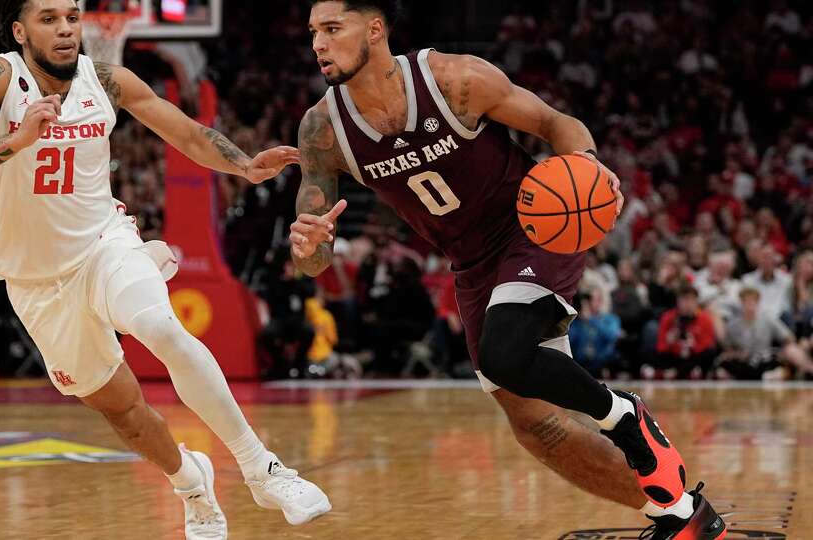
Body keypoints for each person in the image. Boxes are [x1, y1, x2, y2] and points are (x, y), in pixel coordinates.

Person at [289, 1, 725, 536]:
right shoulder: (321, 131)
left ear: (374, 30)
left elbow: (555, 123)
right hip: (471, 265)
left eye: (333, 29)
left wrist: (585, 164)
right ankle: (680, 514)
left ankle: (625, 417)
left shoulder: (455, 80)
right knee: (538, 428)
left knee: (503, 354)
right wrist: (309, 245)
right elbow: (313, 260)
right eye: (313, 32)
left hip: (536, 226)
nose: (319, 44)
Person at [0, 2, 329, 537]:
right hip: (36, 280)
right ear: (21, 31)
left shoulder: (108, 79)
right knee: (124, 411)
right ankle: (192, 483)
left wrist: (241, 162)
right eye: (49, 18)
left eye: (71, 15)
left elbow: (186, 133)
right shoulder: (0, 78)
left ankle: (264, 469)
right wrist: (17, 140)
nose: (66, 27)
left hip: (103, 244)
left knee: (160, 326)